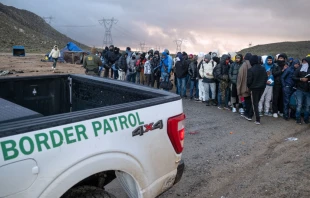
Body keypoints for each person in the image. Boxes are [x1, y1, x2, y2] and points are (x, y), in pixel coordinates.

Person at [247, 55, 268, 125]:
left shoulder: (251, 70)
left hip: (254, 88)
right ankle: (249, 115)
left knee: (254, 103)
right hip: (262, 88)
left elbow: (249, 81)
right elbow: (265, 78)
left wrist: (250, 87)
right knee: (256, 102)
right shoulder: (263, 68)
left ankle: (257, 119)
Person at [293, 57, 310, 124]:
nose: (304, 63)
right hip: (299, 89)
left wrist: (308, 80)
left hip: (308, 90)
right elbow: (293, 77)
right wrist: (300, 79)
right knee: (299, 105)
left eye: (305, 62)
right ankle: (298, 119)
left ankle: (306, 119)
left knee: (308, 106)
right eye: (303, 62)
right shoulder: (299, 68)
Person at [237, 53, 253, 120]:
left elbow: (240, 78)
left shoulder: (243, 65)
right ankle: (250, 113)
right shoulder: (252, 64)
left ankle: (247, 114)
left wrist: (239, 88)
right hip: (252, 86)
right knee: (251, 100)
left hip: (244, 86)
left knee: (247, 100)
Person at [272, 53, 288, 118]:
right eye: (279, 58)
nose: (280, 59)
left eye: (282, 58)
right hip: (277, 83)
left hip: (284, 84)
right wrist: (282, 70)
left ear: (284, 59)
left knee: (282, 98)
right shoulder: (275, 65)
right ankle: (274, 111)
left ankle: (280, 110)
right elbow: (274, 73)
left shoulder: (286, 65)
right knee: (275, 98)